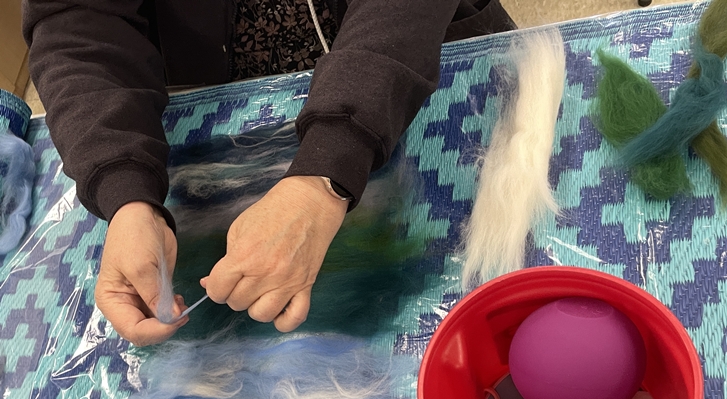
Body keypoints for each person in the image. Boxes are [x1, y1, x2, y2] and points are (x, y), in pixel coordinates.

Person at [22, 0, 515, 346]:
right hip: (218, 87)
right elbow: (75, 20)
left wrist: (328, 170)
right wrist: (125, 191)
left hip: (413, 52)